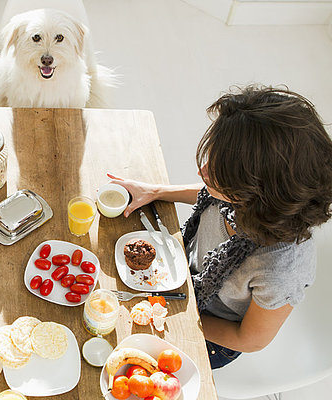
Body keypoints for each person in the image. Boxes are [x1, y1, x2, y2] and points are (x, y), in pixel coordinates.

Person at [109, 85, 332, 369]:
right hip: (181, 280)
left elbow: (250, 340)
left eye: (219, 172)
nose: (202, 172)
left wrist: (181, 313)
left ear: (256, 191)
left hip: (211, 330)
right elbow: (209, 193)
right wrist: (155, 191)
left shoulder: (281, 270)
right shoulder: (243, 198)